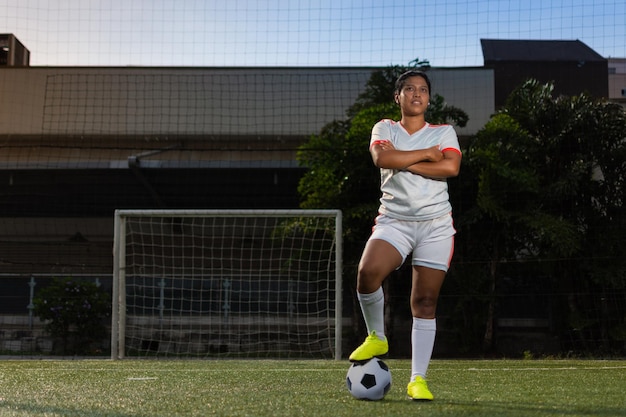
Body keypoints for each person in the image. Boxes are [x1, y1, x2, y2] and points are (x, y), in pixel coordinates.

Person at [348, 70, 462, 401]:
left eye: (423, 90)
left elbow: (450, 168)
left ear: (429, 98)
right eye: (409, 89)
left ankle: (418, 380)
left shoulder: (444, 132)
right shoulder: (384, 128)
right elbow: (382, 157)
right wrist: (426, 155)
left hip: (435, 225)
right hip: (394, 221)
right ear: (397, 97)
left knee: (424, 303)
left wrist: (404, 162)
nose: (416, 93)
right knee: (367, 274)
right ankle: (377, 336)